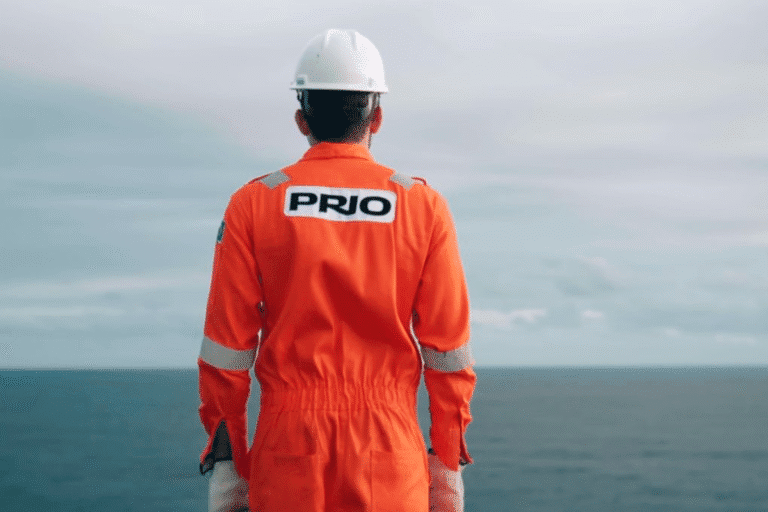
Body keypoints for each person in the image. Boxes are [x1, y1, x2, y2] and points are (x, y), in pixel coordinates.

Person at [197, 28, 476, 512]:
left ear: (301, 119)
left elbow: (227, 351)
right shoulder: (422, 206)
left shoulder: (254, 204)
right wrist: (447, 459)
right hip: (389, 447)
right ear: (377, 117)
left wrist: (228, 461)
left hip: (288, 446)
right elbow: (448, 352)